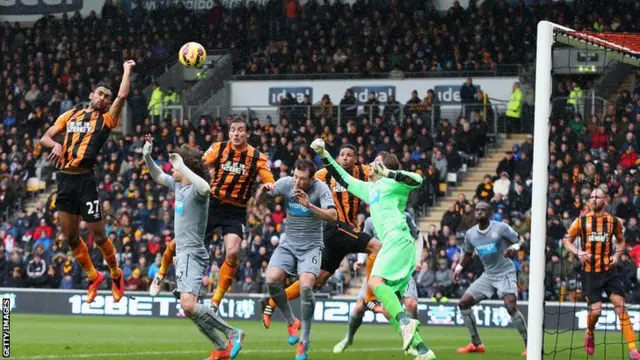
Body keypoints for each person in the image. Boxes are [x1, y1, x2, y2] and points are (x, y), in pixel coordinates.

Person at [310, 138, 435, 360]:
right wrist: (324, 154)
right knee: (389, 305)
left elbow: (418, 179)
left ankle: (406, 322)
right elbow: (342, 176)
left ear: (385, 166)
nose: (370, 165)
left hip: (398, 239)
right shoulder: (370, 188)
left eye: (375, 162)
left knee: (375, 283)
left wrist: (388, 173)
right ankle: (423, 350)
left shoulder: (394, 183)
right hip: (396, 245)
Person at [150, 117, 274, 309]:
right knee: (181, 240)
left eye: (241, 130)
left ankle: (215, 301)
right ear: (229, 132)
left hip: (236, 210)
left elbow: (268, 178)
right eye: (233, 130)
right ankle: (161, 273)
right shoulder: (219, 148)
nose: (236, 134)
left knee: (233, 252)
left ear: (247, 134)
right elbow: (199, 164)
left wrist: (269, 185)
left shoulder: (257, 157)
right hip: (212, 204)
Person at [38, 60, 136, 304]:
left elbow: (123, 95)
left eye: (107, 97)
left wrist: (126, 69)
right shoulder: (70, 115)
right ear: (91, 94)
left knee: (99, 236)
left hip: (85, 181)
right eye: (100, 94)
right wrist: (56, 144)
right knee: (71, 237)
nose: (103, 98)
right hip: (64, 181)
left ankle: (115, 273)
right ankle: (94, 276)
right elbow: (44, 138)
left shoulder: (106, 120)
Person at [143, 135, 245, 360]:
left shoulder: (198, 192)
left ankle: (232, 333)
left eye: (176, 168)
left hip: (192, 253)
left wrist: (183, 166)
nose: (172, 171)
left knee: (188, 305)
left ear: (185, 168)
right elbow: (158, 175)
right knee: (190, 309)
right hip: (183, 255)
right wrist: (147, 156)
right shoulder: (179, 185)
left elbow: (206, 187)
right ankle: (221, 348)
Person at [260, 144, 382, 328]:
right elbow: (307, 180)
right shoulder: (325, 174)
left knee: (317, 280)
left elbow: (377, 174)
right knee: (377, 247)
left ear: (356, 158)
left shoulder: (362, 172)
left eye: (350, 155)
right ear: (337, 157)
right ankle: (370, 298)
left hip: (343, 231)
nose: (345, 158)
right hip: (334, 227)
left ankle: (272, 301)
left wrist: (380, 165)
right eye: (342, 155)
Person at [255, 159, 337, 360]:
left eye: (302, 179)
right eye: (296, 177)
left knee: (306, 285)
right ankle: (291, 321)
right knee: (271, 278)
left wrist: (309, 205)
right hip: (289, 243)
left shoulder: (320, 189)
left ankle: (304, 341)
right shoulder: (286, 183)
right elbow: (259, 201)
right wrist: (263, 191)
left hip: (311, 246)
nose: (297, 182)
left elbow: (333, 216)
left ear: (312, 178)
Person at [333, 212, 425, 356]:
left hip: (401, 268)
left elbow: (418, 237)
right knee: (358, 307)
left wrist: (418, 259)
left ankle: (413, 341)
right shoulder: (370, 221)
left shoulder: (404, 216)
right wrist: (361, 260)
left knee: (411, 304)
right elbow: (364, 243)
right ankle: (348, 338)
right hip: (378, 270)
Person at [564, 188, 640, 359]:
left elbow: (621, 243)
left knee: (621, 308)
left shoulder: (614, 222)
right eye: (591, 197)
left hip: (609, 271)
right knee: (596, 312)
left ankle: (633, 350)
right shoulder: (581, 221)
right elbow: (566, 241)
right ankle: (590, 332)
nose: (593, 199)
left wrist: (617, 255)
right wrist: (578, 252)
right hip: (590, 273)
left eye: (597, 197)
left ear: (605, 201)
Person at [452, 201, 527, 356]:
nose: (479, 212)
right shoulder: (470, 234)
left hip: (505, 272)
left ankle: (530, 344)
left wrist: (514, 248)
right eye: (477, 210)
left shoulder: (501, 228)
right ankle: (476, 344)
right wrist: (459, 268)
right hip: (488, 275)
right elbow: (467, 254)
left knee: (510, 306)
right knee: (464, 303)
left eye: (483, 210)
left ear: (490, 213)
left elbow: (520, 240)